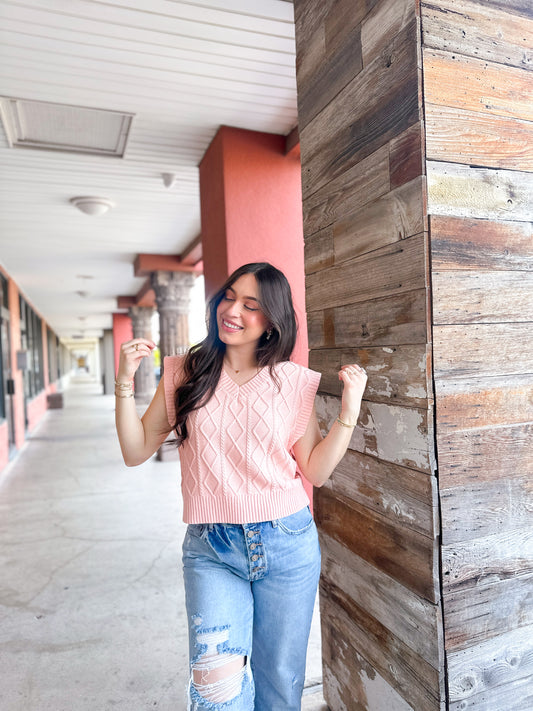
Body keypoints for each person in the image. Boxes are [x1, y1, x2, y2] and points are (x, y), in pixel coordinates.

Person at [115, 262, 367, 711]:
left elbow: (314, 471)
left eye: (251, 305)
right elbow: (135, 451)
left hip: (286, 542)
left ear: (272, 322)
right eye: (229, 297)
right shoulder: (184, 373)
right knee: (217, 693)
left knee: (279, 684)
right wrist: (124, 382)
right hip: (212, 549)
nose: (232, 310)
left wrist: (349, 411)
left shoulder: (291, 383)